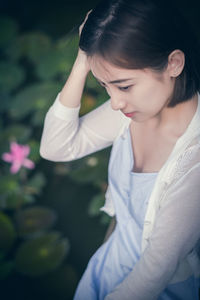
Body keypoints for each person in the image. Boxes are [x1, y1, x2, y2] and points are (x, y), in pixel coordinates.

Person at [40, 0, 200, 299]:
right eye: (104, 86)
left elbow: (155, 271)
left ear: (174, 63)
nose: (114, 102)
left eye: (124, 86)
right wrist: (84, 59)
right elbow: (56, 147)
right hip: (108, 263)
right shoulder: (131, 111)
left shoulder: (194, 161)